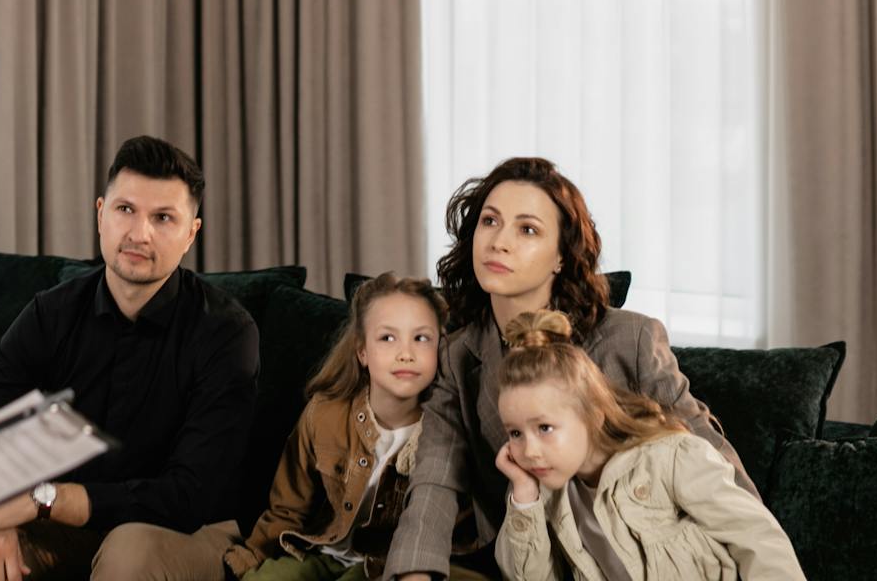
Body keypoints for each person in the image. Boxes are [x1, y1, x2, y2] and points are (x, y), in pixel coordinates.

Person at [385, 158, 749, 581]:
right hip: (526, 561)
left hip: (637, 558)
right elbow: (435, 480)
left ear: (561, 256)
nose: (499, 242)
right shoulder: (456, 356)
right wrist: (414, 574)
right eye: (490, 221)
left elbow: (708, 454)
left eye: (527, 229)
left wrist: (756, 555)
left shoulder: (630, 340)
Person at [0, 135, 258, 581]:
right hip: (67, 522)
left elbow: (188, 495)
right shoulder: (52, 312)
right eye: (125, 210)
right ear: (101, 214)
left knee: (129, 551)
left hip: (185, 528)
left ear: (191, 233)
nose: (140, 233)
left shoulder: (226, 333)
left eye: (163, 218)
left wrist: (44, 499)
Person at [493, 311, 805, 581]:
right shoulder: (545, 495)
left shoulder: (669, 458)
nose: (530, 451)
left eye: (544, 428)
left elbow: (758, 538)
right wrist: (523, 496)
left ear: (593, 415)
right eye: (515, 433)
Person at [226, 274, 478, 581]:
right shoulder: (324, 414)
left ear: (440, 347)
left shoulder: (450, 429)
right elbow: (287, 511)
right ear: (362, 351)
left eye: (421, 338)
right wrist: (249, 560)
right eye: (387, 338)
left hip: (396, 565)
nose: (406, 353)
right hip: (326, 553)